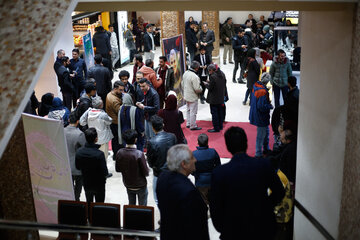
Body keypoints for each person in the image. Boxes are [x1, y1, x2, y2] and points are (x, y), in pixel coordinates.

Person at [210, 127, 285, 239]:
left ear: (228, 147)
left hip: (234, 229)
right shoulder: (264, 165)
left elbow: (215, 208)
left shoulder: (219, 173)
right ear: (246, 143)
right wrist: (266, 206)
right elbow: (279, 191)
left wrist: (224, 228)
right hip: (263, 226)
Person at [157, 144, 210, 240]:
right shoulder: (189, 192)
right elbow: (198, 225)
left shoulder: (162, 178)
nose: (195, 160)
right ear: (183, 164)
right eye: (192, 158)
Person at [147, 115, 177, 205]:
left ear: (153, 128)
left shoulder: (152, 142)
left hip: (159, 173)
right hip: (172, 171)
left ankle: (164, 216)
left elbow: (150, 162)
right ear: (163, 125)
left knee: (158, 198)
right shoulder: (172, 136)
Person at [115, 129, 149, 206]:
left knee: (131, 205)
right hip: (140, 185)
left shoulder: (119, 152)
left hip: (128, 184)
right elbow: (146, 172)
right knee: (143, 207)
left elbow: (117, 169)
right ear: (135, 140)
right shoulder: (139, 154)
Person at [75, 128, 109, 204]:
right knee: (99, 205)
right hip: (99, 184)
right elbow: (105, 172)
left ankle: (89, 216)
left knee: (89, 203)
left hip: (86, 182)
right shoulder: (99, 154)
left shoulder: (79, 152)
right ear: (96, 139)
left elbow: (77, 167)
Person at [192, 133, 221, 204]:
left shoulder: (194, 154)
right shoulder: (213, 151)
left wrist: (195, 174)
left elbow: (191, 169)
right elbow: (218, 166)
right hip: (212, 180)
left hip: (200, 181)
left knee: (202, 201)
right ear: (207, 142)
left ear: (197, 142)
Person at [249, 72, 273, 157]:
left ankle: (266, 148)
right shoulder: (262, 91)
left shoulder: (256, 86)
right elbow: (261, 106)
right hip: (261, 116)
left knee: (265, 132)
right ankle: (258, 153)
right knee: (261, 135)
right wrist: (270, 106)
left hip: (256, 114)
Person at [64, 111, 86, 201]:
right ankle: (76, 201)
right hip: (77, 166)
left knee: (68, 188)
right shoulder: (80, 134)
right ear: (77, 121)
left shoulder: (62, 131)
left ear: (69, 120)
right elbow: (83, 150)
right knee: (78, 187)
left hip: (65, 164)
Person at [106, 81, 125, 159]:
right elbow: (120, 112)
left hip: (112, 120)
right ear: (115, 89)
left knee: (115, 139)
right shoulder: (114, 100)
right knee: (118, 140)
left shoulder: (109, 94)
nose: (122, 92)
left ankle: (116, 154)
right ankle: (118, 155)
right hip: (116, 122)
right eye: (120, 90)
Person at [205, 64, 226, 132]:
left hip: (214, 98)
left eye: (209, 71)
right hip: (221, 97)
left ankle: (216, 128)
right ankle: (220, 126)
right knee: (220, 112)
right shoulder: (222, 74)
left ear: (211, 70)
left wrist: (206, 85)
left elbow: (211, 88)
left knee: (214, 113)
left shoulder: (213, 76)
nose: (209, 72)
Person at [183, 61, 202, 130]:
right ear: (196, 68)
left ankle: (188, 123)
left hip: (186, 94)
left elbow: (182, 84)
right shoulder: (194, 76)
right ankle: (193, 125)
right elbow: (197, 89)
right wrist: (201, 89)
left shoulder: (185, 73)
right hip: (193, 96)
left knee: (188, 110)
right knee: (193, 112)